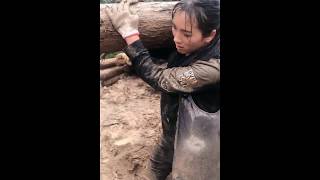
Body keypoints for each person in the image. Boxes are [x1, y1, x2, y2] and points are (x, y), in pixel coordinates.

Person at [105, 0, 220, 179]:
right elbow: (164, 49)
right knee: (162, 157)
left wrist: (130, 33)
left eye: (186, 34)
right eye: (174, 28)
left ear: (210, 36)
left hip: (201, 139)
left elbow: (161, 79)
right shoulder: (192, 38)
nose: (176, 38)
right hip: (173, 127)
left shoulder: (213, 68)